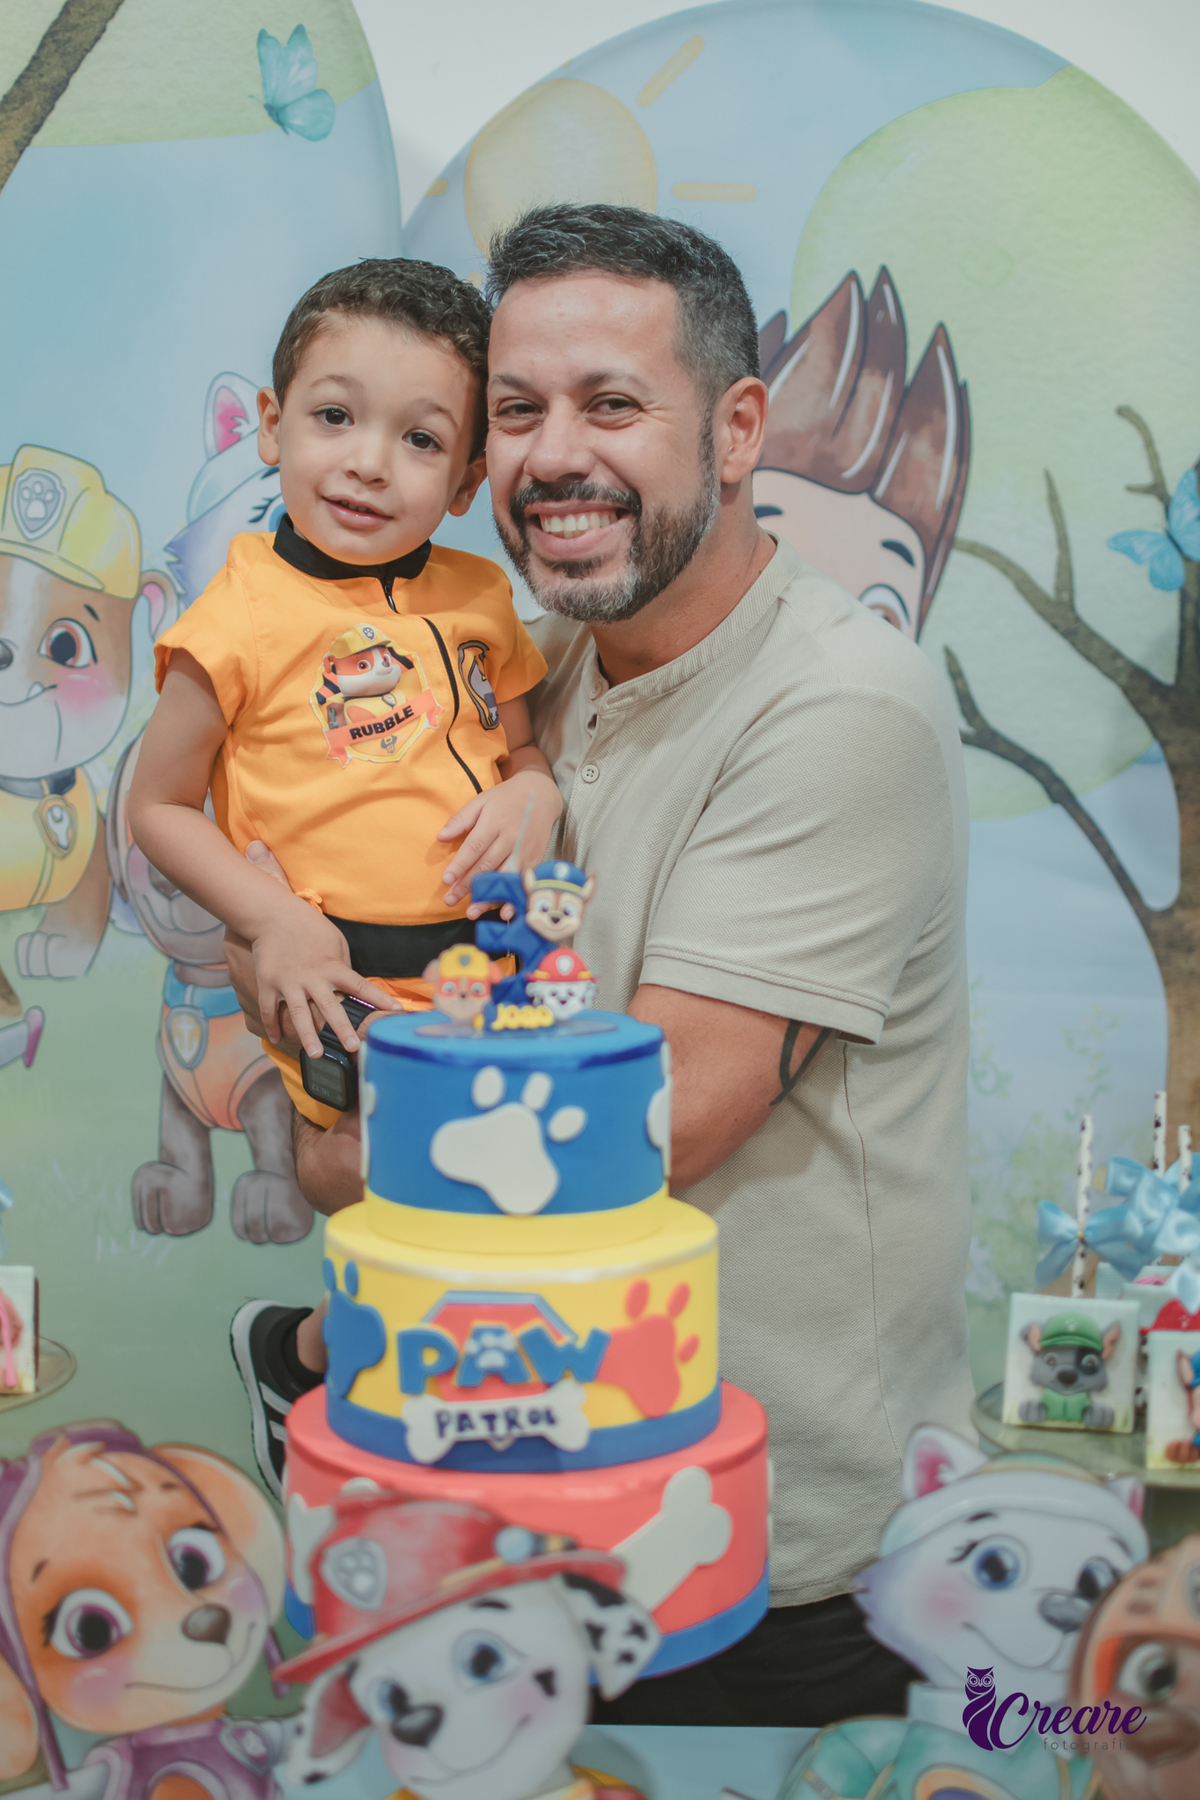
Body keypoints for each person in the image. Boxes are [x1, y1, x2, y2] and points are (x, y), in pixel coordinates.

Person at [227, 206, 975, 1728]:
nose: (553, 456)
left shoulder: (839, 709)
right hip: (492, 1491)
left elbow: (640, 1138)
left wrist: (338, 1142)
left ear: (740, 424)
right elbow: (314, 944)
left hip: (761, 1547)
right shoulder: (519, 675)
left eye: (612, 405)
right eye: (516, 412)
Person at [127, 258, 562, 1434]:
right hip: (339, 980)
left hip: (490, 974)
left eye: (421, 440)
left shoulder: (479, 599)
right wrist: (272, 920)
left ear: (470, 475)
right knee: (381, 1178)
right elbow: (154, 805)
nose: (369, 462)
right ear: (272, 428)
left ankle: (317, 1363)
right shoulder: (240, 615)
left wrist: (539, 795)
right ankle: (330, 1379)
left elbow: (517, 751)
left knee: (502, 1216)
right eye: (334, 418)